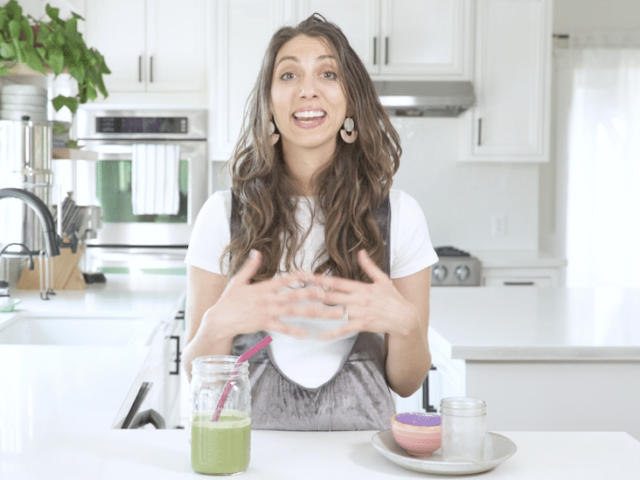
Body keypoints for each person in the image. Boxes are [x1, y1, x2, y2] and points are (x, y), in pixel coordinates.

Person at [183, 13, 438, 431]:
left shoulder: (400, 215)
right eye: (288, 75)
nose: (307, 90)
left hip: (364, 459)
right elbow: (197, 373)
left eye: (327, 73)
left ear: (351, 99)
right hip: (252, 459)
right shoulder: (221, 215)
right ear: (269, 102)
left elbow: (406, 383)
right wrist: (219, 324)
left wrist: (406, 325)